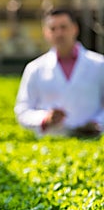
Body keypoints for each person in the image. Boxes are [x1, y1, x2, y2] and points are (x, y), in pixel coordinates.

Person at [15, 8, 104, 137]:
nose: (59, 33)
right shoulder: (34, 68)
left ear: (75, 28)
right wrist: (45, 118)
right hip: (52, 145)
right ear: (45, 33)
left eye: (63, 27)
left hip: (94, 141)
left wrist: (97, 122)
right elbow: (22, 111)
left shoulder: (99, 64)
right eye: (53, 29)